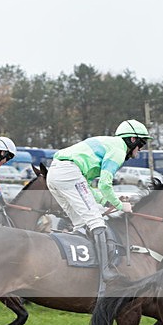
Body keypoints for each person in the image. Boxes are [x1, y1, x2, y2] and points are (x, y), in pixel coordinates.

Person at [46, 119, 152, 285]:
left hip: (54, 174)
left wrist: (105, 201)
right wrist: (120, 206)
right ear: (132, 140)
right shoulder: (118, 150)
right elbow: (104, 184)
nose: (141, 149)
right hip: (69, 173)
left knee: (80, 224)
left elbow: (87, 186)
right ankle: (106, 271)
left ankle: (80, 268)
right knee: (96, 221)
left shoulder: (109, 144)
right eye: (142, 143)